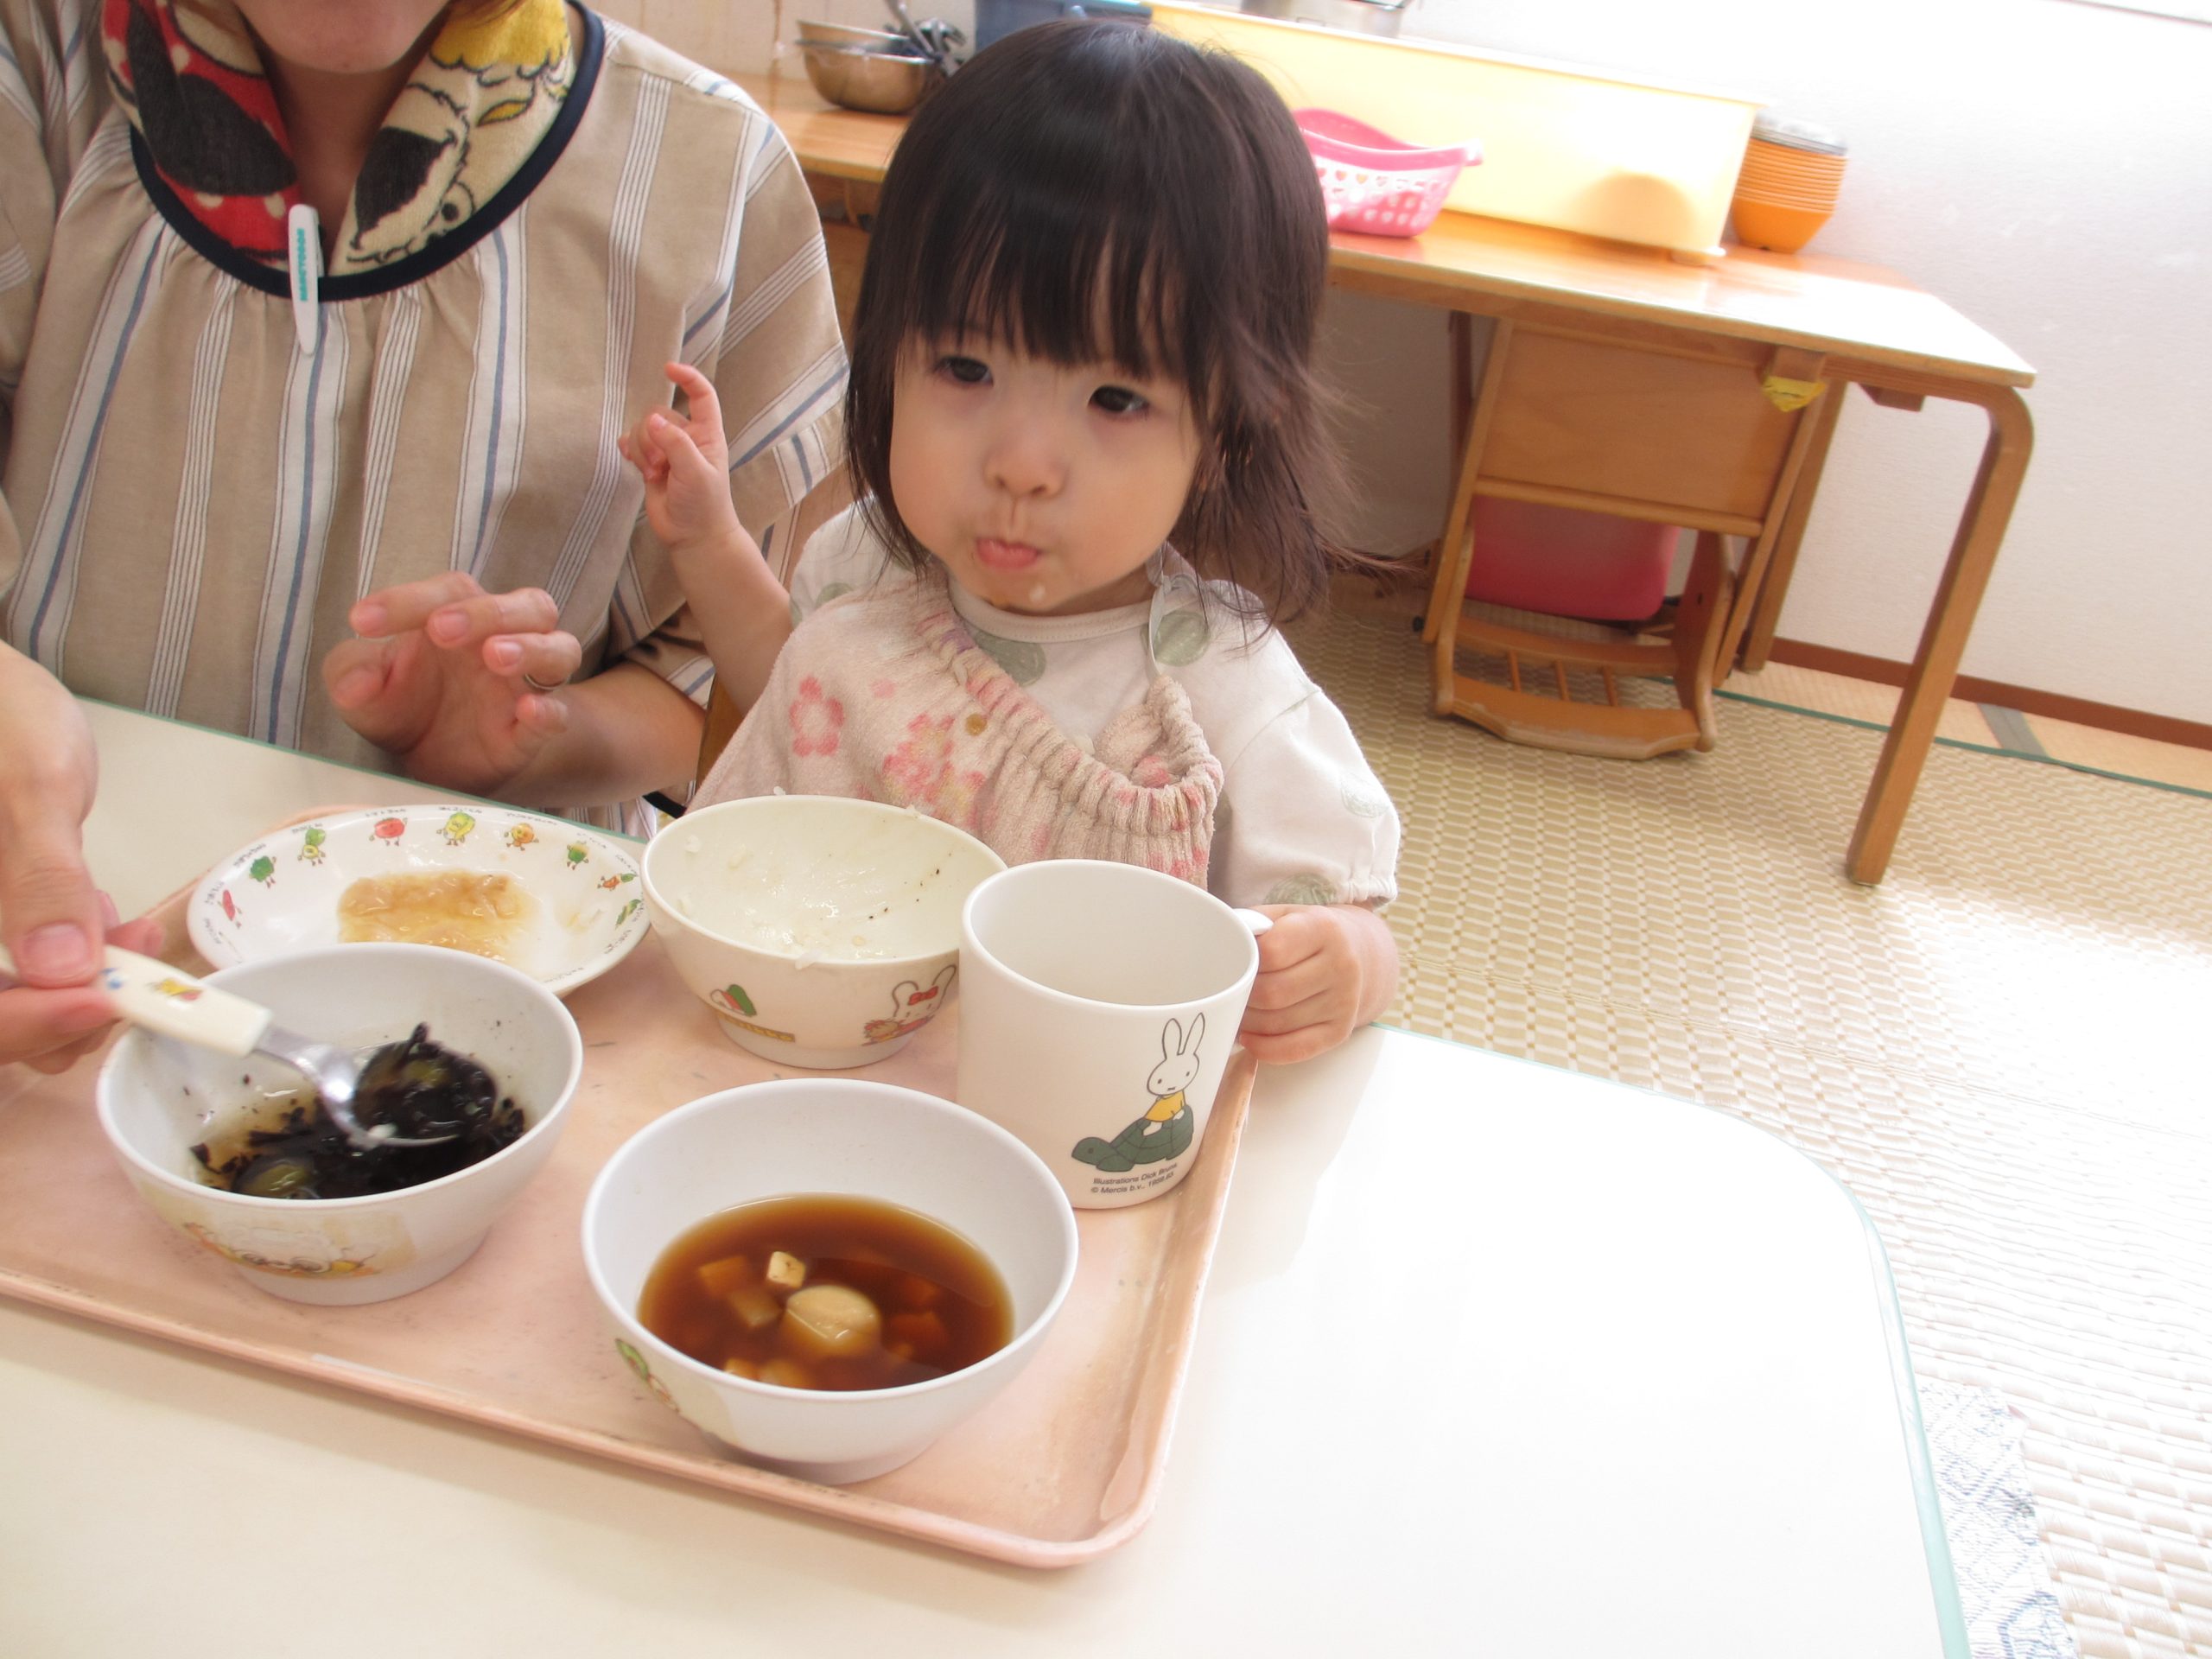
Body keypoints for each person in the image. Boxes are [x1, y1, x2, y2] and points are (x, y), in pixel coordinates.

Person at [0, 0, 845, 1070]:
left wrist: (534, 742)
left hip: (523, 1001)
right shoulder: (37, 68)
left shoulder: (710, 172)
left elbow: (733, 689)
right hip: (68, 958)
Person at [625, 21, 1401, 1065]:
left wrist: (1345, 964)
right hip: (826, 1062)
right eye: (966, 370)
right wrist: (708, 541)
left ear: (1222, 434)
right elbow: (791, 692)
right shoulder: (866, 562)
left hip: (1056, 1112)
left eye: (1114, 398)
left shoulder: (1224, 690)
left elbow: (1347, 913)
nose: (1022, 464)